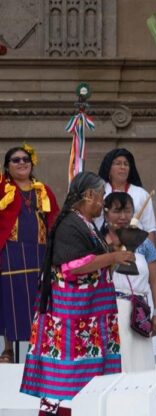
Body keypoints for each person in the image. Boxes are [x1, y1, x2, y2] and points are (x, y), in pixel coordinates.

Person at [20, 172, 134, 416]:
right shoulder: (70, 224)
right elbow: (73, 266)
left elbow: (91, 261)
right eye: (101, 195)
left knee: (84, 377)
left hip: (88, 317)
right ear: (89, 195)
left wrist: (113, 253)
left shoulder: (85, 223)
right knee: (61, 376)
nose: (103, 202)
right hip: (71, 319)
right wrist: (113, 257)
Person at [0, 145, 59, 363]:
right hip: (10, 251)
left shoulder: (43, 190)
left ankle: (37, 349)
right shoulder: (1, 188)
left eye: (25, 159)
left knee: (39, 300)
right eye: (15, 160)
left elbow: (54, 219)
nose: (22, 162)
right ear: (7, 166)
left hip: (39, 251)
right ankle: (8, 349)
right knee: (9, 299)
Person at [101, 192, 156, 372]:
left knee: (140, 362)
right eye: (116, 211)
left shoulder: (144, 243)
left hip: (140, 310)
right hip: (110, 310)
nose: (123, 217)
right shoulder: (99, 241)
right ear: (105, 213)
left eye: (127, 211)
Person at [97, 148, 156, 245]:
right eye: (118, 163)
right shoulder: (98, 192)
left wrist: (150, 256)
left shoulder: (141, 194)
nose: (123, 167)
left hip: (137, 248)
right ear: (108, 169)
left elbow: (150, 229)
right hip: (104, 247)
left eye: (126, 164)